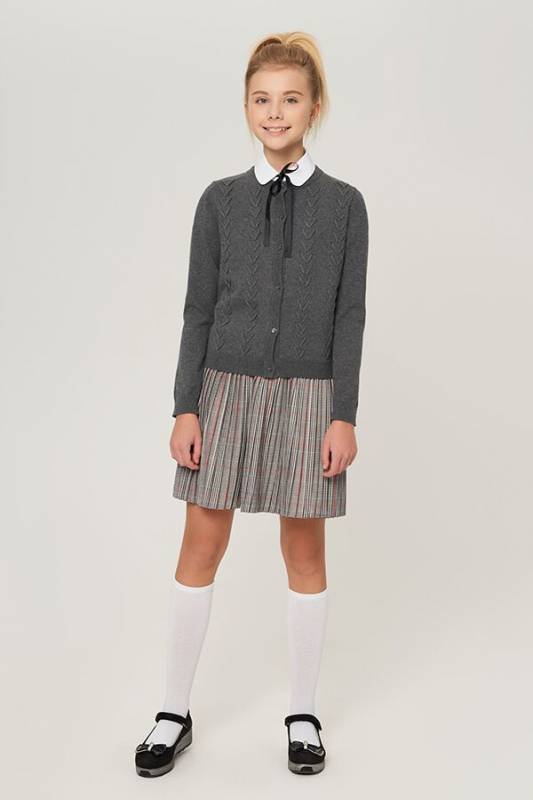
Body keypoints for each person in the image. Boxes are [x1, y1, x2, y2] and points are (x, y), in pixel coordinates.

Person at [135, 30, 369, 777]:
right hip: (223, 390)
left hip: (309, 395)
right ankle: (172, 710)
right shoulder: (220, 201)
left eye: (290, 99)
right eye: (262, 99)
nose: (275, 112)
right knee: (200, 544)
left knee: (304, 551)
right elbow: (197, 308)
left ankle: (302, 712)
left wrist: (343, 414)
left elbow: (349, 316)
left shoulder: (345, 206)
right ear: (245, 107)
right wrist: (186, 405)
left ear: (314, 107)